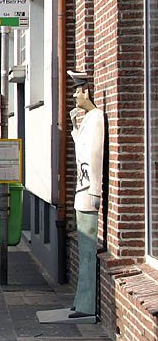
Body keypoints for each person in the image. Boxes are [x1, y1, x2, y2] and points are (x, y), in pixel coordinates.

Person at [68, 70, 104, 319]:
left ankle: (86, 303)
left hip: (88, 191)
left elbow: (95, 156)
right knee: (84, 250)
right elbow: (81, 150)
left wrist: (95, 191)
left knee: (89, 251)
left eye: (77, 91)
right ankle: (82, 299)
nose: (74, 95)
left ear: (87, 91)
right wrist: (73, 127)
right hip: (82, 191)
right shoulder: (87, 119)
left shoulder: (97, 118)